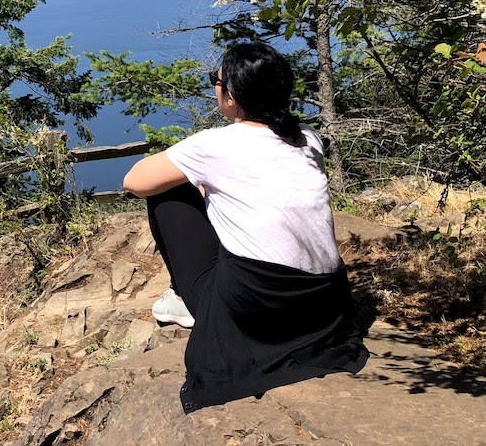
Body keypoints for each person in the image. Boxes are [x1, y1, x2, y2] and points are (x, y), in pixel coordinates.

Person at [123, 42, 368, 413]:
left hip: (256, 307)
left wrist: (199, 182)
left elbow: (135, 181)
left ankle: (185, 301)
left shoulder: (214, 145)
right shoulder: (307, 138)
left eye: (215, 81)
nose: (213, 87)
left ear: (232, 97)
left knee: (166, 197)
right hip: (322, 305)